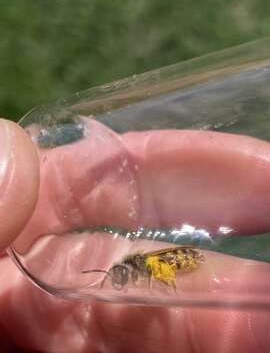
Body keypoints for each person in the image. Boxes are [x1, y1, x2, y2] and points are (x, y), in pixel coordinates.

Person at [0, 117, 270, 353]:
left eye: (117, 278)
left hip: (175, 261)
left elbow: (155, 269)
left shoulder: (140, 267)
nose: (117, 281)